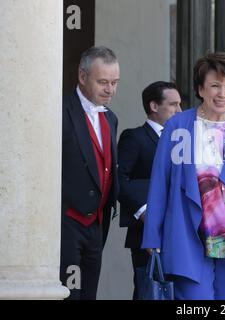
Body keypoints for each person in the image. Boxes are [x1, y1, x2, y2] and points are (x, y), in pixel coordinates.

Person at [141, 52, 225, 300]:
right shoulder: (178, 126)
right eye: (215, 85)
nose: (222, 94)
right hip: (188, 235)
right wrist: (152, 233)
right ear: (201, 89)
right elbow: (160, 182)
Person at [61, 46, 120, 300]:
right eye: (103, 82)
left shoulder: (111, 118)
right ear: (82, 77)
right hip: (67, 222)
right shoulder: (60, 110)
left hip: (97, 223)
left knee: (88, 296)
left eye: (115, 82)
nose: (110, 89)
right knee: (68, 295)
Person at [118, 81, 181, 300]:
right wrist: (145, 213)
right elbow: (119, 180)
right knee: (150, 293)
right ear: (154, 106)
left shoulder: (183, 140)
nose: (179, 110)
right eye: (173, 104)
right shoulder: (134, 137)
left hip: (180, 231)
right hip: (146, 234)